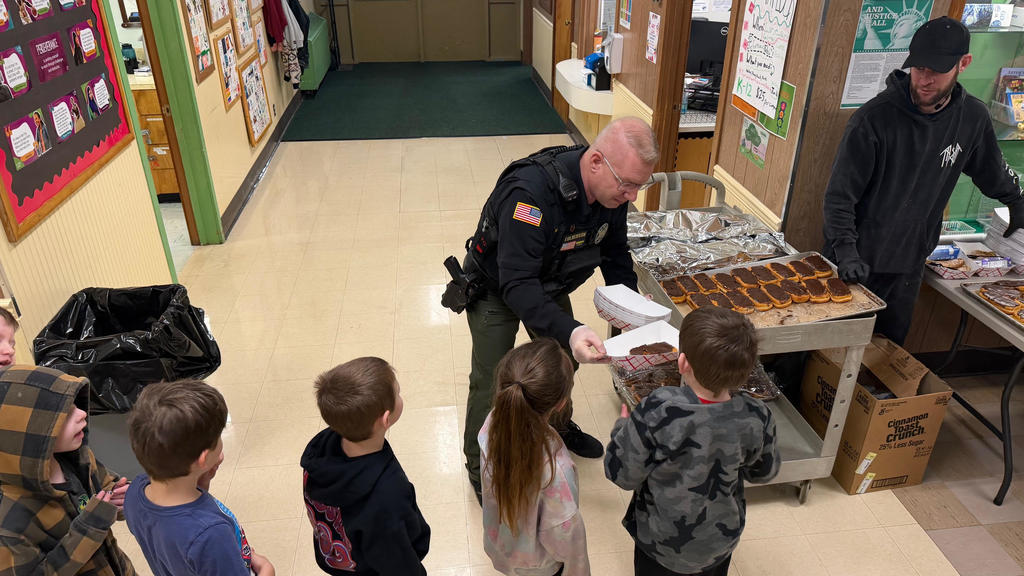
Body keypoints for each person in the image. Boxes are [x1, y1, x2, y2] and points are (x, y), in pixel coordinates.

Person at [458, 117, 659, 498]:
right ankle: (478, 465)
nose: (633, 195)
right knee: (493, 380)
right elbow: (516, 284)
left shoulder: (612, 193)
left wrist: (631, 306)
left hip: (548, 283)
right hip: (497, 288)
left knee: (563, 360)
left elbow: (615, 254)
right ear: (596, 161)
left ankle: (559, 428)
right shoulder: (530, 195)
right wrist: (570, 327)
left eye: (639, 185)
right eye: (628, 184)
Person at [824, 16, 1024, 345]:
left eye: (936, 71)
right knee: (830, 354)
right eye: (919, 69)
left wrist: (1016, 200)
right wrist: (845, 250)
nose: (925, 80)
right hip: (855, 261)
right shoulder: (873, 120)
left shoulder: (971, 118)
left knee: (888, 350)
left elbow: (989, 168)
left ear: (964, 63)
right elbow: (839, 197)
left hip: (908, 263)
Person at [605, 307, 779, 576]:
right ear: (746, 371)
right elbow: (764, 472)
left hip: (659, 543)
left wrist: (623, 428)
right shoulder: (757, 416)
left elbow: (621, 474)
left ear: (682, 362)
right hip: (719, 542)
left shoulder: (658, 409)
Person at [123, 379, 275, 576]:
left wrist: (201, 483)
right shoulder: (211, 535)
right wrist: (266, 571)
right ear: (202, 459)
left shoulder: (136, 492)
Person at [0, 365, 135, 576]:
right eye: (65, 414)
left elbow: (106, 483)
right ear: (30, 434)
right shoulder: (9, 522)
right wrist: (90, 527)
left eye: (75, 405)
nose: (82, 413)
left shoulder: (77, 459)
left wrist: (120, 496)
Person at [301, 357, 430, 575]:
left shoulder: (320, 449)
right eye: (398, 393)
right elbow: (398, 561)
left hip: (341, 558)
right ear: (385, 419)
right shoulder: (387, 495)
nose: (400, 396)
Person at [479, 339, 589, 576]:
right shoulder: (557, 472)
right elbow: (567, 543)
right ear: (561, 403)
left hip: (503, 545)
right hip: (540, 567)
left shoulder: (493, 423)